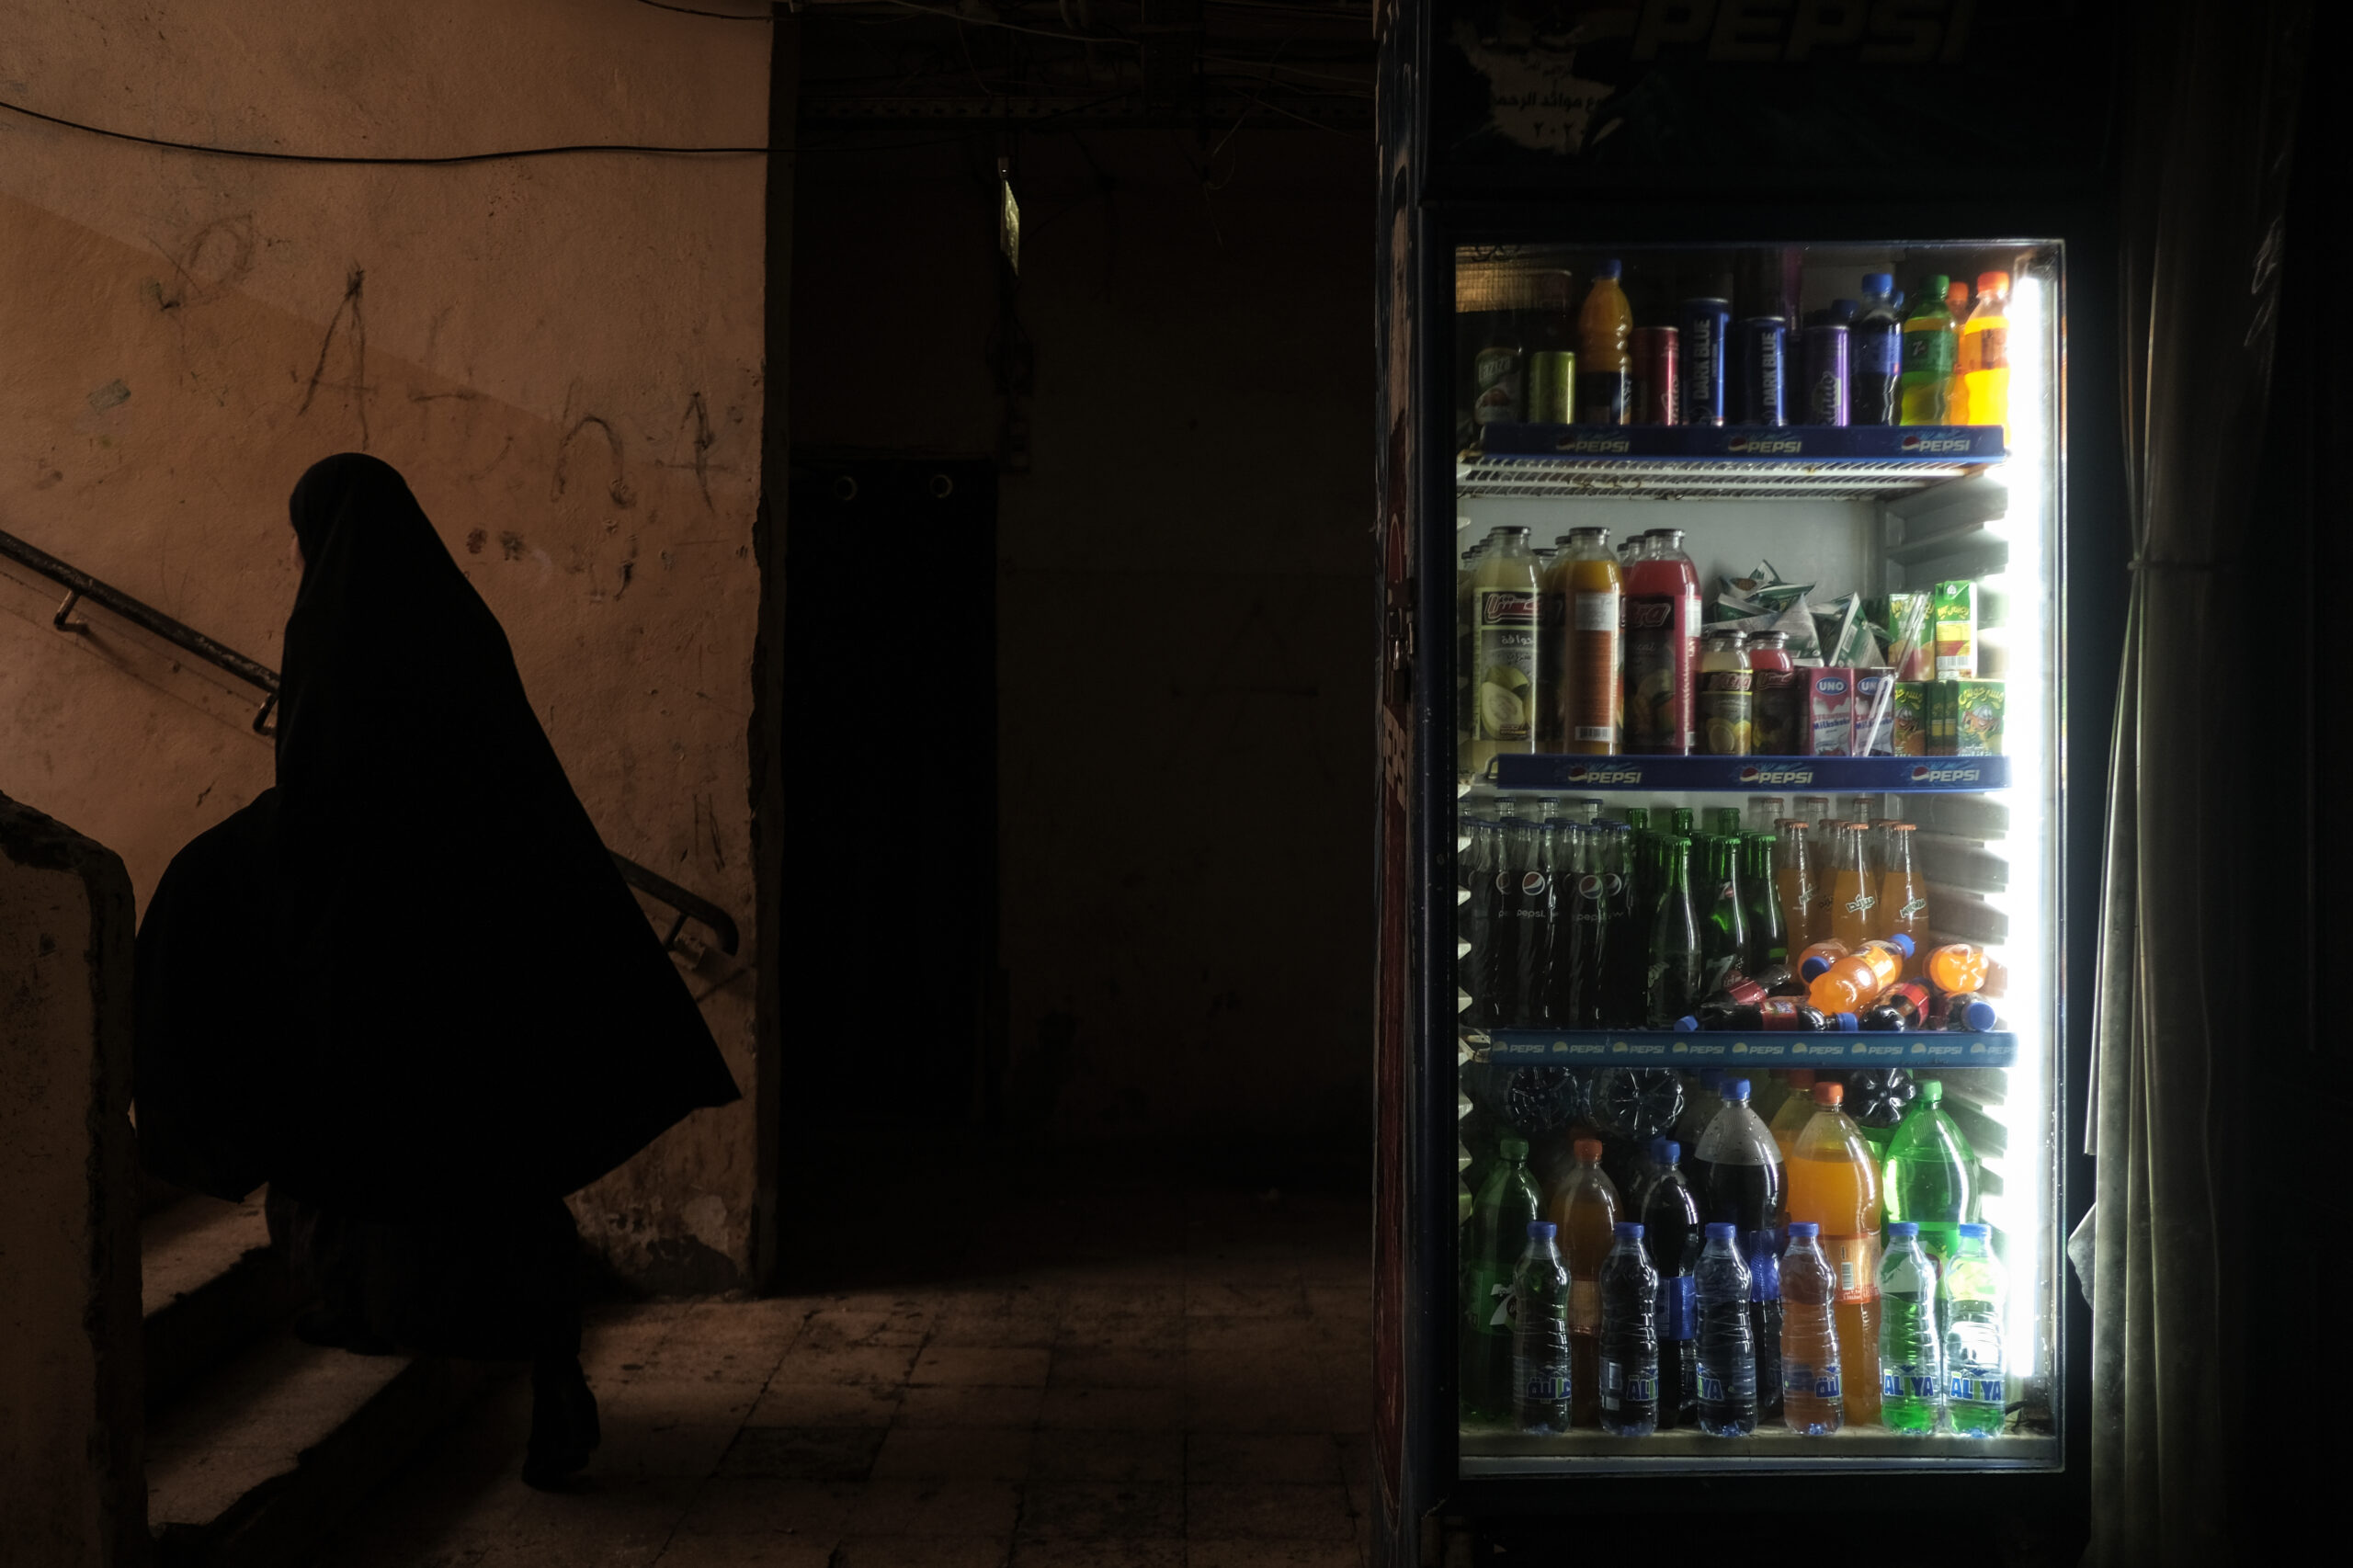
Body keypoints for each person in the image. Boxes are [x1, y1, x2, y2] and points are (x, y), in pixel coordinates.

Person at [133, 453, 741, 1487]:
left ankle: (366, 1307)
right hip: (478, 944)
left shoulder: (327, 621)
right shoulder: (456, 620)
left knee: (350, 1141)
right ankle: (551, 1372)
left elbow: (321, 785)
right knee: (502, 1173)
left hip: (375, 953)